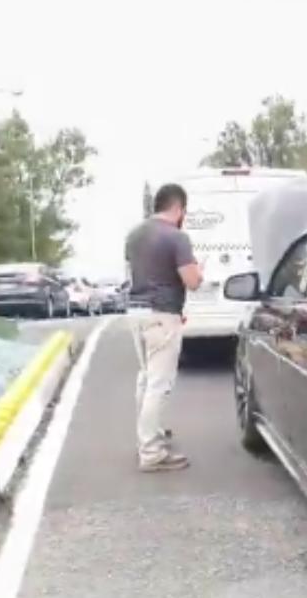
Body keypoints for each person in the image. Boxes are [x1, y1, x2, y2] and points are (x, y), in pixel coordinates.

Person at [124, 183, 203, 472]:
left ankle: (150, 436)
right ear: (179, 208)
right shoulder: (177, 237)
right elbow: (191, 281)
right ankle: (151, 452)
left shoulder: (134, 234)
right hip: (162, 313)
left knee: (146, 378)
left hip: (136, 311)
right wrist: (199, 271)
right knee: (158, 383)